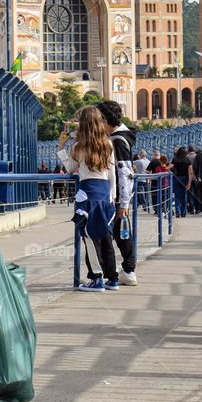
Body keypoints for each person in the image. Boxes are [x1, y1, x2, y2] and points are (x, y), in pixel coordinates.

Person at [58, 106, 119, 292]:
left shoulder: (78, 147)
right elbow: (112, 174)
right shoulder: (107, 144)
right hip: (105, 193)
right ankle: (112, 279)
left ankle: (97, 278)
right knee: (104, 235)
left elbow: (69, 168)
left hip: (86, 195)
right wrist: (113, 197)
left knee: (89, 237)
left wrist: (61, 146)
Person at [96, 100, 138, 286]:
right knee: (122, 233)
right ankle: (127, 270)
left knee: (119, 233)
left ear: (106, 120)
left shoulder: (118, 140)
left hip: (118, 195)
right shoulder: (121, 137)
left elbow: (124, 171)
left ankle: (127, 271)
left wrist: (124, 203)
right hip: (120, 194)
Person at [171, 147, 193, 218]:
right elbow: (190, 172)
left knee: (177, 196)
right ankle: (183, 213)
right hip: (185, 179)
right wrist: (189, 182)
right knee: (184, 196)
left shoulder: (175, 159)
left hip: (177, 178)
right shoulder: (187, 160)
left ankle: (178, 212)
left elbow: (169, 168)